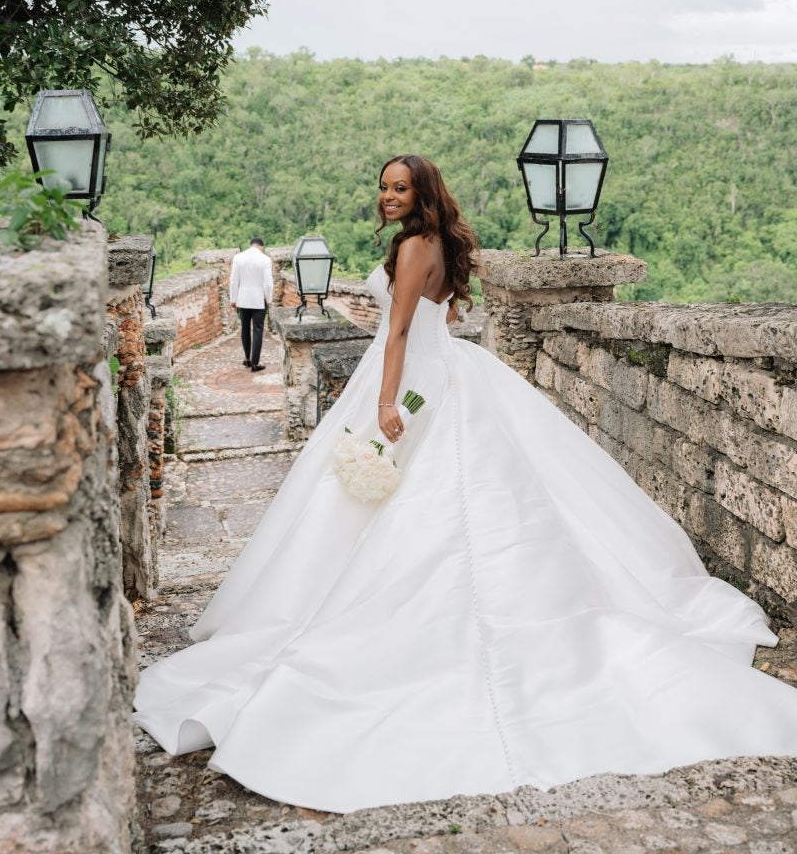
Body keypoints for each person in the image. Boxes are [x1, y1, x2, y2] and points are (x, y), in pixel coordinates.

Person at [134, 155, 797, 813]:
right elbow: (438, 324)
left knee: (424, 504)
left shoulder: (415, 247)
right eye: (384, 186)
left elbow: (395, 331)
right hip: (444, 371)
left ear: (423, 195)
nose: (387, 196)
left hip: (407, 380)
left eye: (401, 188)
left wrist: (387, 403)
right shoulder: (437, 245)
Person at [229, 237, 273, 372]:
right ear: (262, 247)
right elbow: (268, 284)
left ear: (250, 245)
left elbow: (233, 280)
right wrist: (269, 299)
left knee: (245, 328)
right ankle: (255, 363)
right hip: (259, 299)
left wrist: (233, 299)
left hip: (243, 298)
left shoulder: (238, 258)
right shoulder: (265, 259)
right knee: (258, 330)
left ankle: (247, 359)